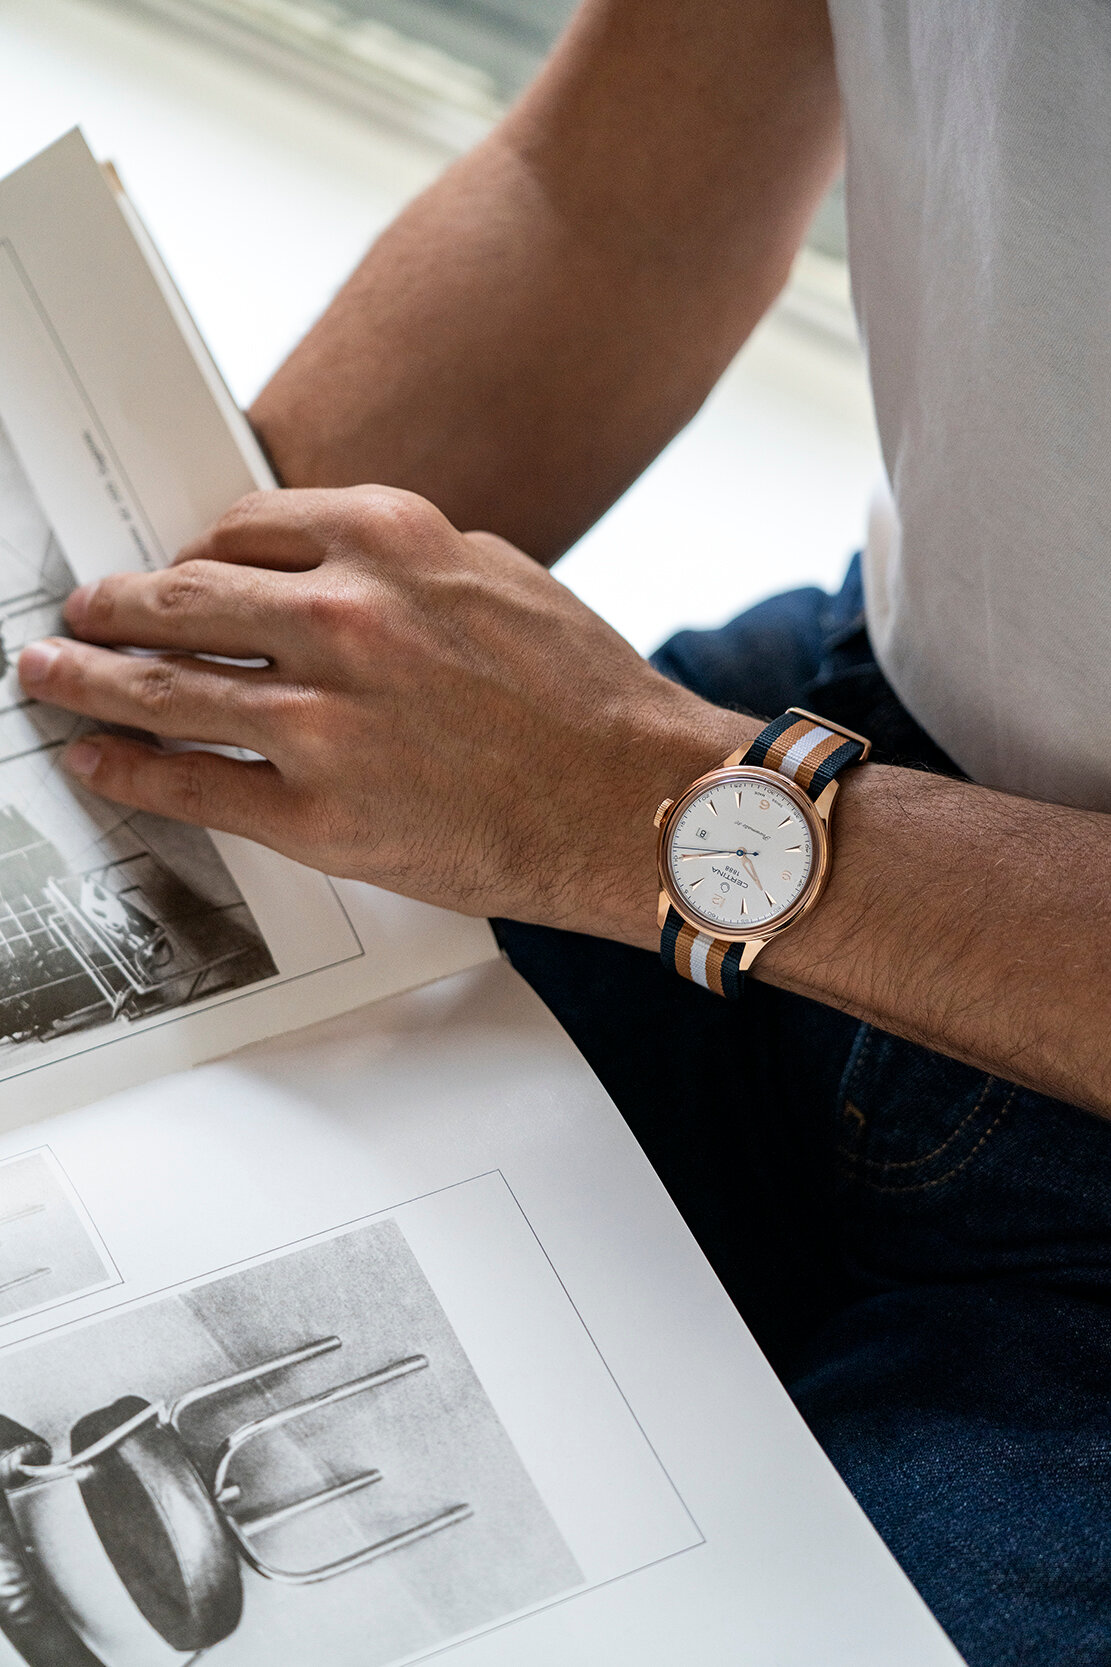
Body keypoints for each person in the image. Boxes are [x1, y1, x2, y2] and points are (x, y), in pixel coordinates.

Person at [16, 2, 1111, 1659]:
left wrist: (628, 802)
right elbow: (610, 199)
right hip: (822, 746)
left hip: (714, 823)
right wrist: (126, 684)